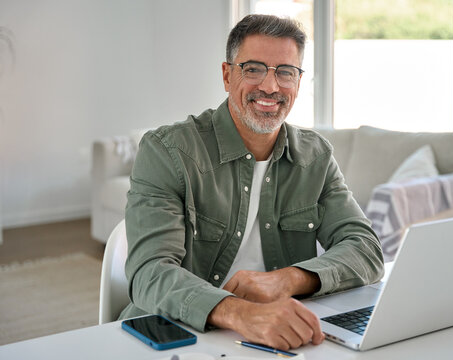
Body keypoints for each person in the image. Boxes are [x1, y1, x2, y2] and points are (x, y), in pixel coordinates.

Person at [118, 14, 384, 351]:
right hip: (177, 336)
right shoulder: (167, 151)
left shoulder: (316, 156)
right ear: (228, 75)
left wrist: (286, 280)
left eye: (285, 72)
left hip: (281, 335)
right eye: (254, 69)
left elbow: (365, 248)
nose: (271, 87)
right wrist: (241, 314)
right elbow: (149, 273)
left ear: (298, 83)